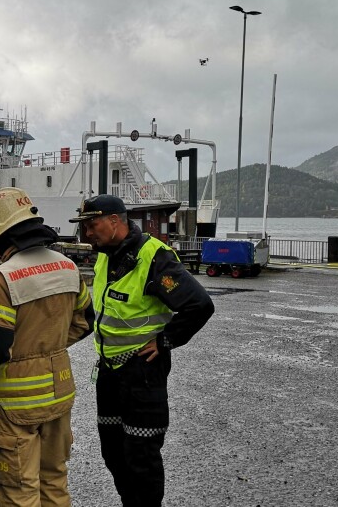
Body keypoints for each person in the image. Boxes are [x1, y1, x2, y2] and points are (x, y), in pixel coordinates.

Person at [69, 195, 214, 507]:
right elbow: (104, 309)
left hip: (142, 372)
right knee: (113, 450)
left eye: (92, 225)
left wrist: (165, 341)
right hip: (110, 371)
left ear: (115, 221)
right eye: (85, 227)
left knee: (141, 456)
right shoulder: (106, 256)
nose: (88, 233)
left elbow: (200, 305)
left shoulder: (153, 257)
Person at [0, 187, 92, 506]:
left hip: (18, 403)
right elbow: (86, 322)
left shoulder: (3, 278)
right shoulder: (67, 266)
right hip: (60, 391)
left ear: (1, 236)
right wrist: (48, 347)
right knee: (54, 479)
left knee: (18, 488)